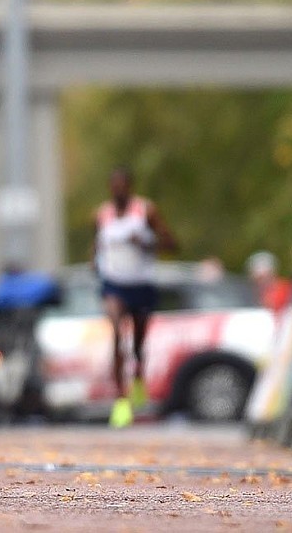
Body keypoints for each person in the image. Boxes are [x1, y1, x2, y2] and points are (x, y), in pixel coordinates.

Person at [94, 166, 177, 428]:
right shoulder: (102, 214)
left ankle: (139, 373)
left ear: (130, 187)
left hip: (141, 283)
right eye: (114, 186)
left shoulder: (145, 211)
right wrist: (95, 262)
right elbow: (98, 245)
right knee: (118, 336)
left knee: (138, 342)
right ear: (110, 188)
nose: (118, 190)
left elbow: (171, 244)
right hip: (114, 284)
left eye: (123, 186)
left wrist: (145, 243)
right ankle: (121, 401)